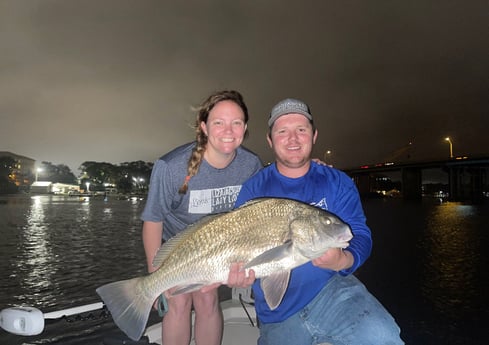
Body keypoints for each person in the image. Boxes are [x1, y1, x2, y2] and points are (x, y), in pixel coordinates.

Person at [228, 98, 404, 345]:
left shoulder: (337, 182)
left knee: (383, 336)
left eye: (301, 130)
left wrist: (344, 259)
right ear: (270, 140)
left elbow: (360, 234)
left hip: (332, 292)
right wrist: (238, 274)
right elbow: (235, 245)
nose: (293, 138)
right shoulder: (253, 189)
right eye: (282, 131)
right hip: (276, 312)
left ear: (314, 136)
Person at [140, 90, 262, 345]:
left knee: (208, 300)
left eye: (236, 122)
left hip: (218, 248)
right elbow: (153, 220)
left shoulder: (251, 165)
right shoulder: (171, 167)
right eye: (219, 122)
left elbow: (259, 212)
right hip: (177, 249)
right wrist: (155, 278)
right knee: (179, 301)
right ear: (204, 126)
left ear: (245, 127)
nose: (228, 130)